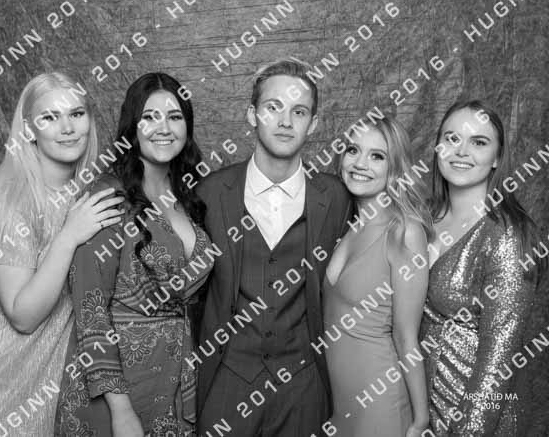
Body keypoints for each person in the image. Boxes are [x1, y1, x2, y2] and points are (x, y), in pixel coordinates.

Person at [0, 72, 123, 436]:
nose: (67, 128)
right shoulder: (10, 201)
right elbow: (23, 316)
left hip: (53, 386)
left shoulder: (85, 196)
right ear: (29, 129)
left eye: (76, 114)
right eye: (50, 117)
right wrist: (69, 236)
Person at [196, 58, 351, 437]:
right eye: (273, 107)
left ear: (313, 124)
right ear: (252, 115)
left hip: (304, 385)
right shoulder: (211, 193)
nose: (285, 121)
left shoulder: (335, 196)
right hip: (227, 382)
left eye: (298, 111)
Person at [54, 72, 213, 437]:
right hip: (115, 390)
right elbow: (91, 310)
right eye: (150, 117)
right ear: (132, 126)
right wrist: (121, 410)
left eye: (174, 117)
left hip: (173, 376)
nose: (164, 128)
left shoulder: (188, 195)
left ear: (187, 127)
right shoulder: (107, 197)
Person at [420, 100, 546, 436]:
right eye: (452, 138)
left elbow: (497, 359)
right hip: (422, 406)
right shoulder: (423, 218)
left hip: (477, 416)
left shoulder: (506, 235)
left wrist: (470, 429)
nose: (461, 151)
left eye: (478, 142)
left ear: (496, 158)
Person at [322, 116, 432, 436]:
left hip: (380, 402)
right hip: (337, 403)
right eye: (353, 150)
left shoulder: (405, 231)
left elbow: (406, 336)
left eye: (377, 156)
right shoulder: (344, 226)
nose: (360, 163)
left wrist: (420, 420)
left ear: (394, 167)